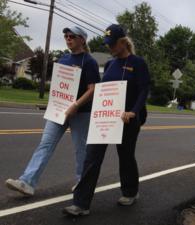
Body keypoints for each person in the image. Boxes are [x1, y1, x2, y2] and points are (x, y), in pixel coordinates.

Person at [63, 24, 150, 216]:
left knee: (126, 157)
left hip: (127, 119)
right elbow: (103, 91)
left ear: (122, 42)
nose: (109, 47)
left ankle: (130, 191)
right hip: (106, 118)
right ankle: (81, 204)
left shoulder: (137, 63)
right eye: (107, 43)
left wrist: (133, 112)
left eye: (112, 44)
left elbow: (144, 90)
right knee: (91, 157)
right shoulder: (110, 64)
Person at [5, 26, 100, 196]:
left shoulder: (90, 62)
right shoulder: (63, 59)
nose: (68, 38)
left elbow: (92, 89)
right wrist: (55, 101)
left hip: (81, 113)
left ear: (82, 40)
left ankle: (82, 182)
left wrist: (76, 105)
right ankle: (27, 182)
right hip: (59, 111)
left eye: (72, 36)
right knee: (45, 144)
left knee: (81, 149)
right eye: (65, 36)